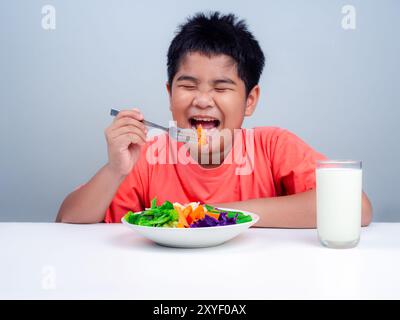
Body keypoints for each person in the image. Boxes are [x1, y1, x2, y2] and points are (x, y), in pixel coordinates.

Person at [57, 12, 372, 227]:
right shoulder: (148, 156)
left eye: (221, 87)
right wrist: (115, 170)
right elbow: (66, 223)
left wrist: (218, 215)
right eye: (188, 85)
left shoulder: (273, 146)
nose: (203, 99)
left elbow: (355, 207)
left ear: (250, 101)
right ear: (169, 95)